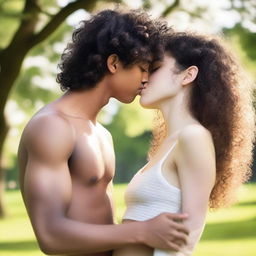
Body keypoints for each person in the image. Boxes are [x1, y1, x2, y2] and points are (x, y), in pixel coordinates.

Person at [18, 9, 190, 256]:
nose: (146, 79)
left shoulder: (101, 133)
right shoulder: (53, 127)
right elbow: (50, 235)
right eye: (143, 68)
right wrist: (143, 231)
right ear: (113, 63)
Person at [113, 31, 255, 256]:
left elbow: (187, 238)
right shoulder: (171, 142)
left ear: (187, 75)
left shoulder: (193, 137)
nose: (144, 77)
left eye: (155, 68)